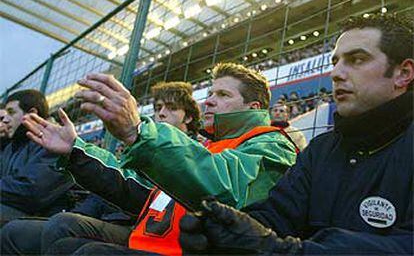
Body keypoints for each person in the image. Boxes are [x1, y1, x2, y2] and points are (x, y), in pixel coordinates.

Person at [179, 13, 414, 255]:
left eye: (357, 59)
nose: (336, 73)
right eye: (335, 62)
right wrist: (226, 232)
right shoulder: (321, 150)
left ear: (403, 73)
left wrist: (285, 252)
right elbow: (277, 216)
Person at [23, 62, 297, 255]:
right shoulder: (207, 146)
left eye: (223, 94)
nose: (209, 101)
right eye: (210, 93)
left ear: (254, 107)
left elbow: (226, 189)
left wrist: (139, 132)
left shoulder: (272, 145)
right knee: (63, 234)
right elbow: (142, 191)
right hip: (152, 238)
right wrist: (77, 150)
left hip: (187, 247)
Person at [1, 82, 200, 256]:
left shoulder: (198, 153)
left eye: (171, 108)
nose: (161, 113)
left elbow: (33, 190)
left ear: (189, 118)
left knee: (64, 227)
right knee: (17, 232)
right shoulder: (140, 149)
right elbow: (115, 187)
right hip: (111, 219)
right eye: (157, 107)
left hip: (144, 230)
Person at [0, 89, 74, 226]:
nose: (5, 119)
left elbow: (32, 191)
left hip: (43, 219)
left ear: (32, 113)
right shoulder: (12, 146)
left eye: (11, 112)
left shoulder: (55, 144)